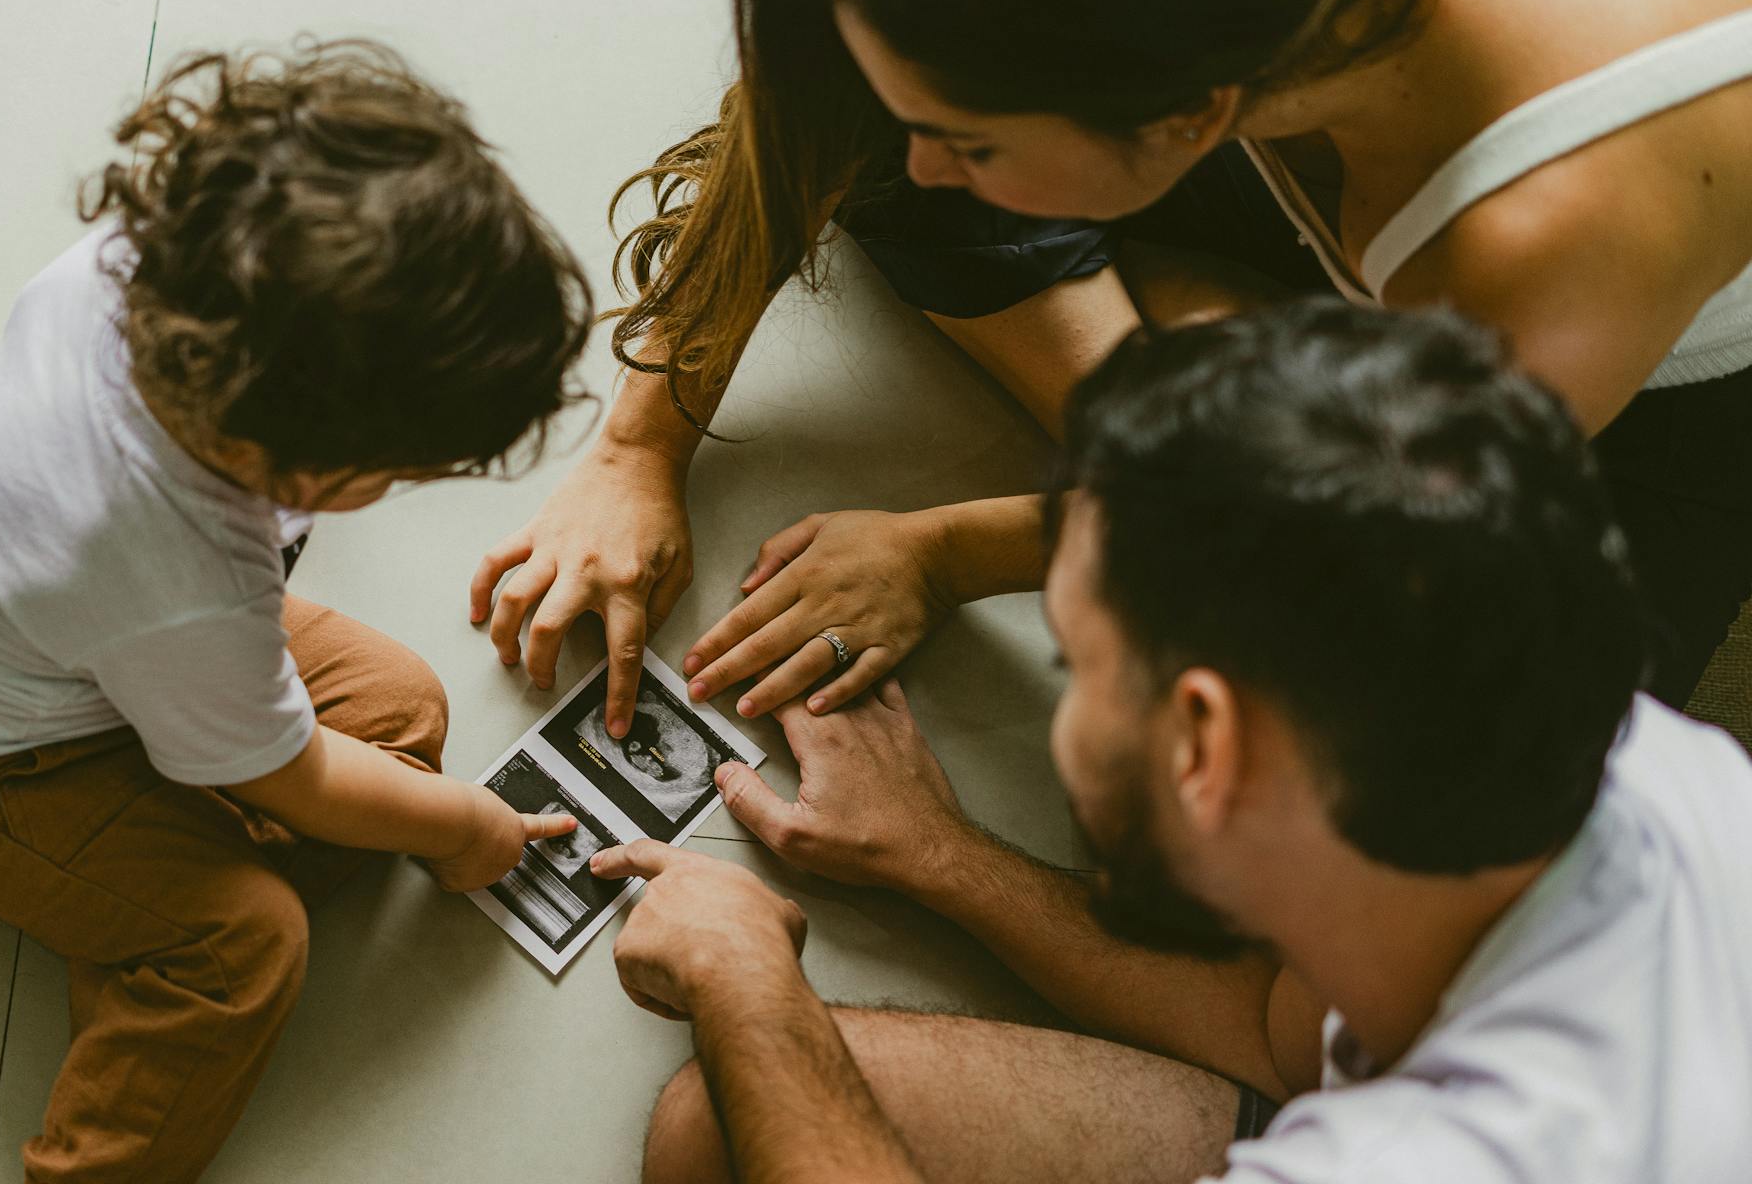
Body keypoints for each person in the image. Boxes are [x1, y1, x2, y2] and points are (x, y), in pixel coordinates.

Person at [471, 0, 1752, 728]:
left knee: (1426, 720)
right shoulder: (1208, 0)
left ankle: (1207, 395)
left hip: (1655, 399)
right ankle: (1182, 389)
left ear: (1189, 123)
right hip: (1371, 205)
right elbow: (843, 57)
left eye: (965, 141)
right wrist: (643, 441)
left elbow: (1333, 520)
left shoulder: (1536, 244)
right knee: (882, 126)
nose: (924, 162)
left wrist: (941, 554)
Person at [588, 300, 1752, 1183]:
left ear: (1201, 737)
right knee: (719, 1124)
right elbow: (1285, 1034)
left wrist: (745, 971)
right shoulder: (1607, 752)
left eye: (1078, 658)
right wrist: (936, 852)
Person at [0, 41, 589, 1183]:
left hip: (72, 646)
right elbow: (292, 775)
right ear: (282, 454)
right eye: (397, 469)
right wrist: (461, 827)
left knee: (403, 707)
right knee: (246, 945)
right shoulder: (168, 559)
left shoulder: (144, 267)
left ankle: (147, 896)